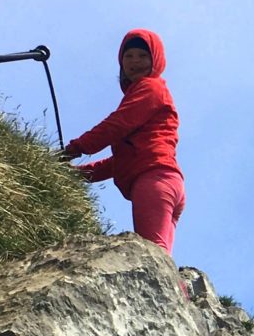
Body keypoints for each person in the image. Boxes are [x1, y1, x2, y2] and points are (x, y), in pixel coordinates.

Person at [58, 29, 185, 255]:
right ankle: (181, 291)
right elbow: (121, 161)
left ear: (155, 60)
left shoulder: (151, 87)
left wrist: (74, 149)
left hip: (153, 182)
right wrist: (77, 174)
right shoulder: (149, 95)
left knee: (153, 256)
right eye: (129, 56)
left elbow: (116, 125)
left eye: (143, 56)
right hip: (167, 181)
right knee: (161, 256)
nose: (135, 61)